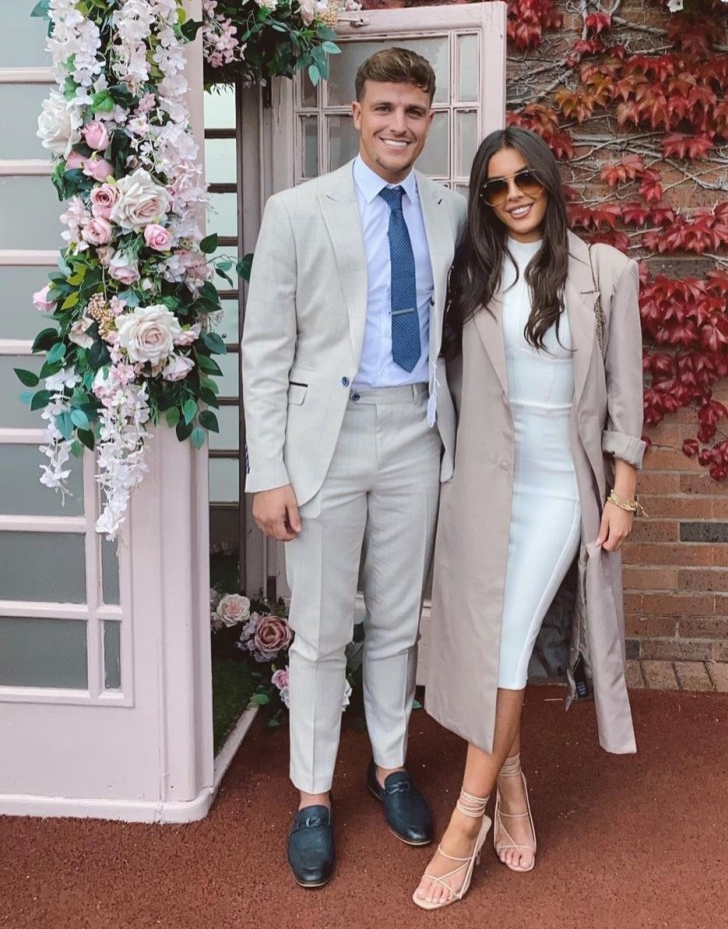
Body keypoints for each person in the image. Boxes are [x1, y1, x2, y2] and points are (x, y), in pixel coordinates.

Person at [240, 47, 466, 889]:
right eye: (383, 110)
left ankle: (389, 768)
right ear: (355, 114)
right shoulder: (299, 210)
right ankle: (311, 795)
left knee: (401, 620)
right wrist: (270, 471)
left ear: (428, 119)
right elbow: (265, 349)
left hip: (416, 429)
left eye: (412, 112)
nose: (397, 125)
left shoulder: (449, 209)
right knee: (323, 628)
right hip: (323, 445)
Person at [412, 127, 645, 910]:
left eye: (525, 181)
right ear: (483, 198)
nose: (512, 196)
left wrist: (621, 491)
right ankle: (509, 781)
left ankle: (465, 821)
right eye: (495, 186)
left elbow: (625, 395)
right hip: (481, 487)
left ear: (547, 182)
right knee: (482, 640)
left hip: (557, 492)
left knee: (508, 639)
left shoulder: (604, 271)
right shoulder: (468, 273)